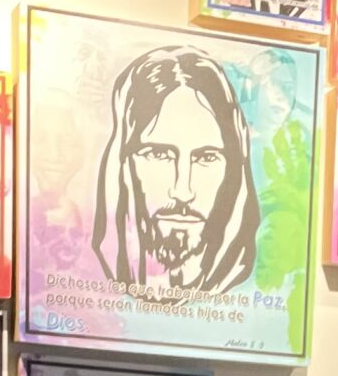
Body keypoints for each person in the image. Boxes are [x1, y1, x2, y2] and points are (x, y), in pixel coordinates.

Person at [92, 47, 260, 297]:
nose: (183, 191)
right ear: (124, 159)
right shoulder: (89, 269)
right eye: (159, 154)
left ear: (234, 166)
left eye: (206, 157)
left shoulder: (246, 287)